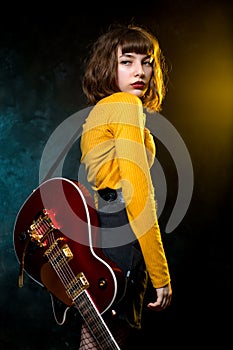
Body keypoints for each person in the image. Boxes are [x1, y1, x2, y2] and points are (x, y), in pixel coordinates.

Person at [79, 23, 172, 350]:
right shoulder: (125, 106)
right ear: (108, 65)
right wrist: (160, 274)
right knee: (103, 340)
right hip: (122, 229)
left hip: (106, 231)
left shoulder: (100, 112)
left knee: (98, 340)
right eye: (127, 61)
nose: (141, 71)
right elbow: (137, 191)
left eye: (147, 62)